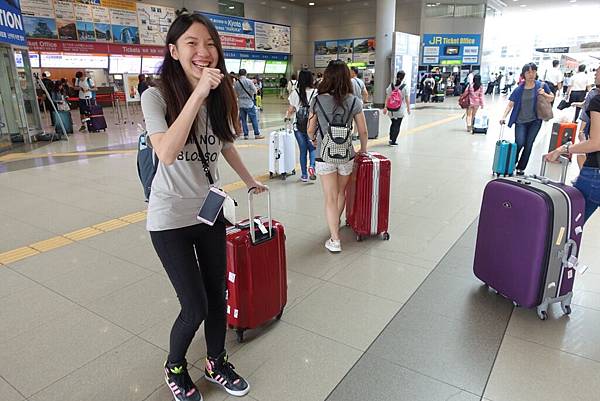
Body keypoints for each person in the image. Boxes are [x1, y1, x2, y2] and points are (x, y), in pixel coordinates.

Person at [140, 12, 266, 401]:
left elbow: (225, 143)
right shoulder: (155, 96)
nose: (203, 51)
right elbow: (166, 150)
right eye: (192, 43)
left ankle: (216, 361)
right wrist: (197, 94)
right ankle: (175, 366)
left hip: (209, 213)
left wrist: (249, 180)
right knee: (193, 305)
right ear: (174, 51)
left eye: (210, 43)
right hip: (170, 220)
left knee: (218, 296)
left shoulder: (216, 95)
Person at [307, 60, 368, 253]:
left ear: (327, 76)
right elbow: (363, 131)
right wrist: (363, 149)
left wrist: (315, 141)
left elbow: (310, 129)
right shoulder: (354, 101)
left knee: (330, 198)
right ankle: (336, 223)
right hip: (346, 155)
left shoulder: (317, 100)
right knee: (341, 193)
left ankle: (335, 239)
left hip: (324, 155)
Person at [546, 90, 600, 222]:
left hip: (595, 173)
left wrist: (561, 149)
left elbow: (596, 143)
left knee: (569, 223)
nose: (596, 73)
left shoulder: (597, 101)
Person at [500, 62, 554, 175]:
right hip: (520, 121)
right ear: (523, 74)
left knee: (529, 144)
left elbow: (551, 98)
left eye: (533, 71)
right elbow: (510, 104)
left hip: (535, 121)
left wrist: (544, 94)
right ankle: (511, 163)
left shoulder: (541, 86)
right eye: (528, 72)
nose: (531, 74)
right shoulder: (519, 89)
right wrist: (503, 117)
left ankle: (521, 167)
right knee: (519, 143)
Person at [285, 69, 317, 182]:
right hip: (312, 125)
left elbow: (291, 109)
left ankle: (304, 175)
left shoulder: (295, 92)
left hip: (298, 126)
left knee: (303, 150)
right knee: (313, 148)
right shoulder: (316, 92)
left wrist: (287, 119)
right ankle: (312, 167)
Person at [572, 68, 600, 169]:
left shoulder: (595, 98)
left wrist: (581, 131)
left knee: (583, 151)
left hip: (593, 133)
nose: (595, 73)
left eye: (598, 71)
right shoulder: (593, 93)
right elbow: (585, 107)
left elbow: (586, 115)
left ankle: (582, 174)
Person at [234, 69, 264, 140]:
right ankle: (256, 134)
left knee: (243, 120)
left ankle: (246, 135)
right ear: (246, 74)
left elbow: (235, 93)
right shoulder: (249, 81)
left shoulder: (236, 83)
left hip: (241, 103)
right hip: (249, 103)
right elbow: (255, 91)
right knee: (254, 118)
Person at [383, 70, 410, 145]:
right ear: (403, 77)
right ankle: (393, 141)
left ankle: (391, 138)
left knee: (393, 124)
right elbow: (407, 99)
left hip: (391, 110)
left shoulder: (391, 86)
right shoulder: (404, 87)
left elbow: (387, 97)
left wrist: (385, 107)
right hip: (400, 109)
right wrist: (408, 108)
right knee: (397, 125)